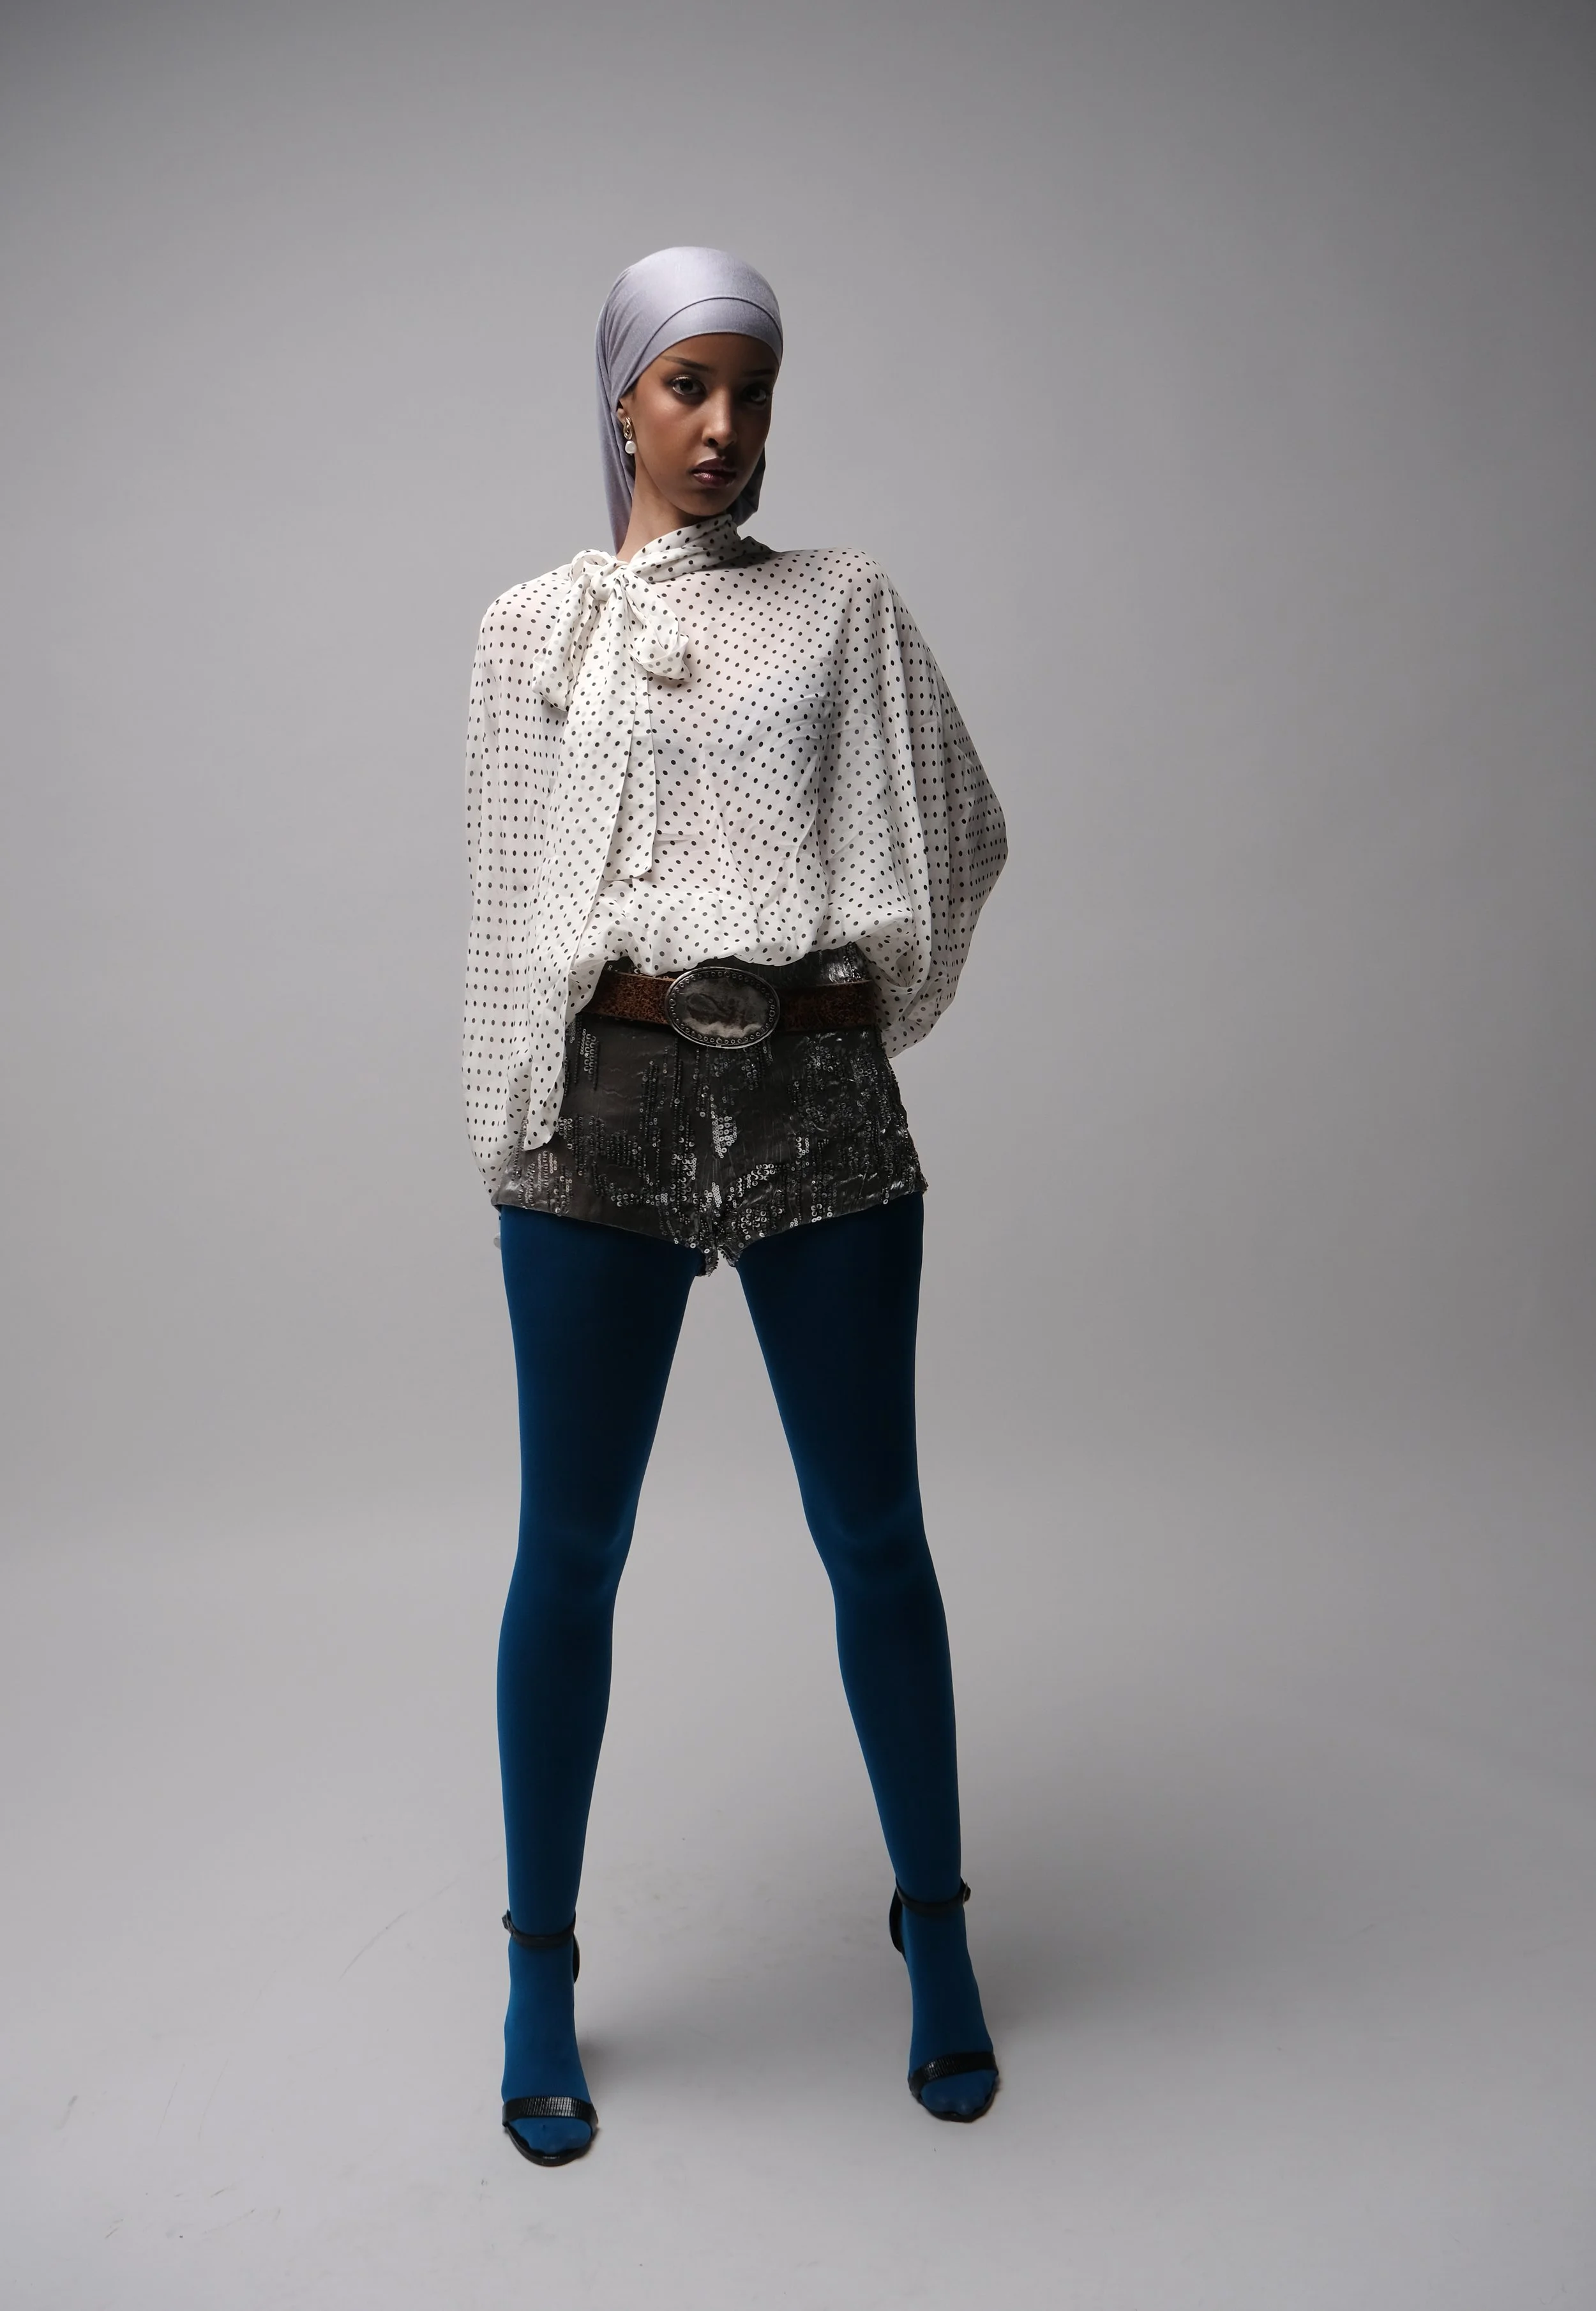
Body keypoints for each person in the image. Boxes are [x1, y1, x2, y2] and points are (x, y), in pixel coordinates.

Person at [462, 246, 1008, 2166]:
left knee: (875, 1533)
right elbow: (504, 905)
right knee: (569, 1551)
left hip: (807, 1092)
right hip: (602, 1100)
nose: (722, 427)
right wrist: (514, 1123)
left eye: (751, 391)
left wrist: (849, 997)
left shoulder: (840, 603)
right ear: (620, 398)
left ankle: (936, 1925)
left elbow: (962, 826)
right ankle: (539, 1968)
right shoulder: (529, 628)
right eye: (687, 386)